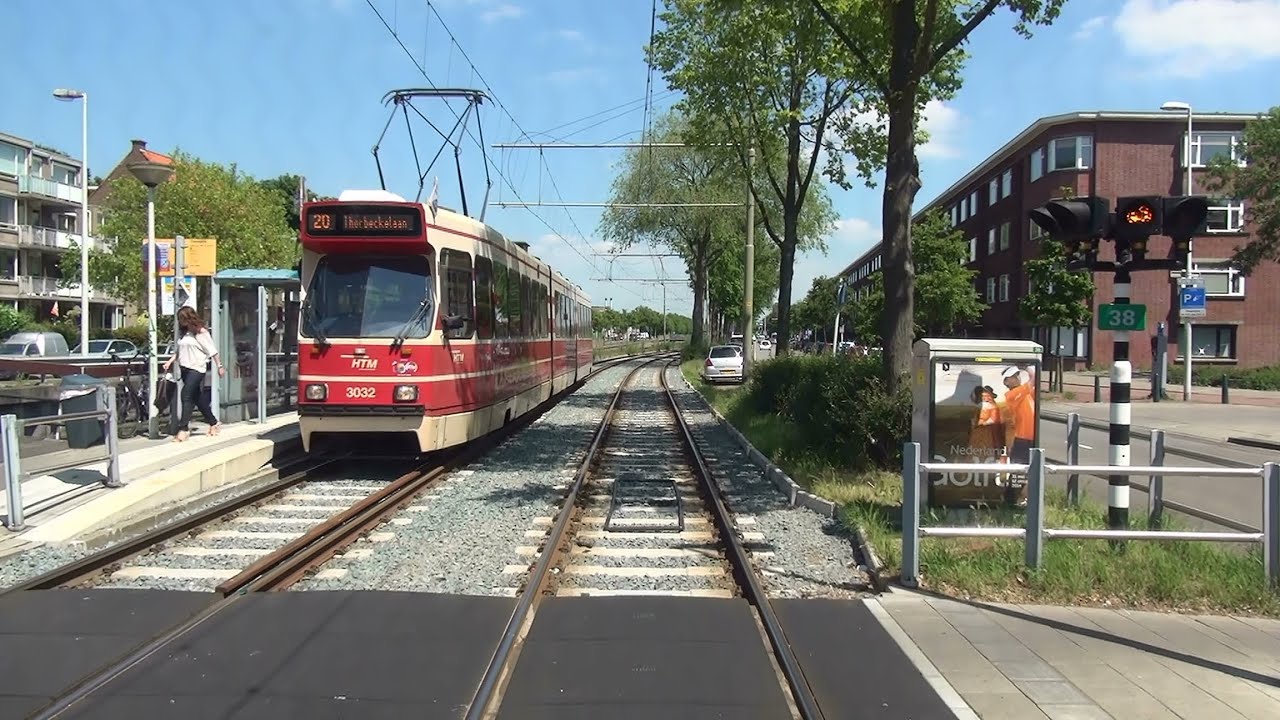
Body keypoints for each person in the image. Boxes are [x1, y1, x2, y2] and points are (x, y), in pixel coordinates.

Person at [163, 306, 226, 442]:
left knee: (186, 395)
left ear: (189, 318)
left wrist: (219, 366)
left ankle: (184, 429)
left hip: (197, 369)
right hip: (185, 368)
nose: (181, 322)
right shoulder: (184, 334)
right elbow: (179, 351)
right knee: (197, 398)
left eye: (182, 319)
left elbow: (212, 351)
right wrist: (170, 361)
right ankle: (214, 423)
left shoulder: (201, 332)